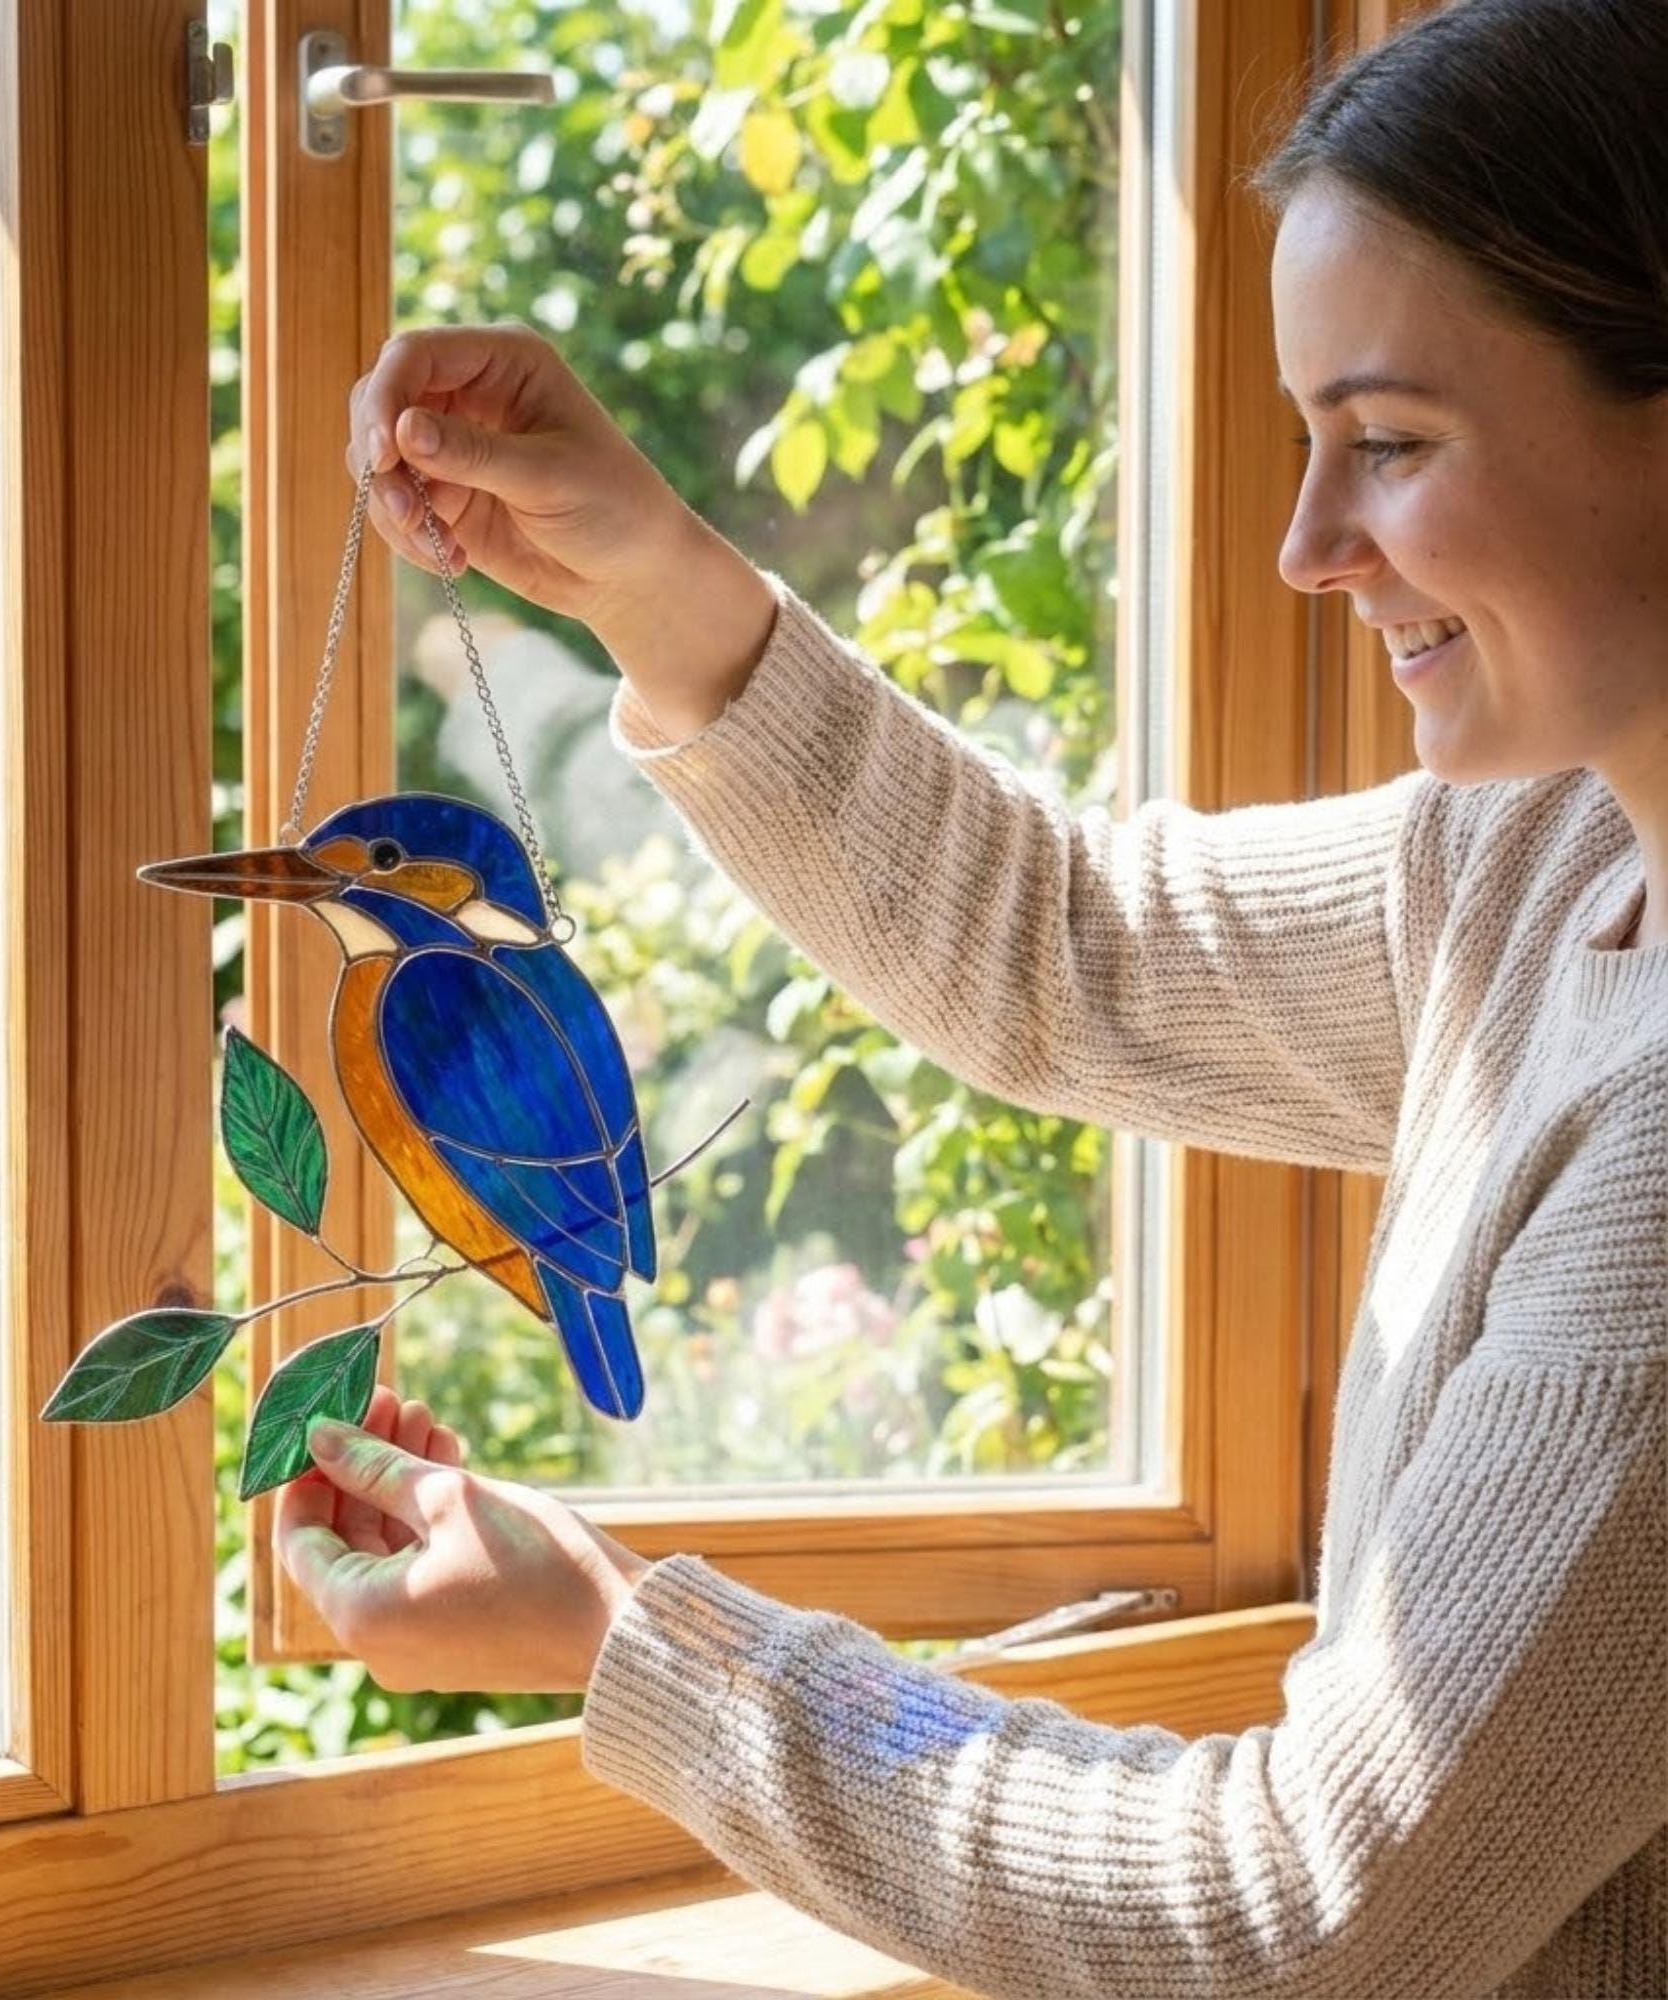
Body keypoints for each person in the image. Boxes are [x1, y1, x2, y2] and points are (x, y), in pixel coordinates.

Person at [277, 1, 1667, 1991]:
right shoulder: (1540, 862)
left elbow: (1290, 1906)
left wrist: (627, 1640)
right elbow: (1067, 943)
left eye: (1387, 441)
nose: (1300, 547)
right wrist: (645, 574)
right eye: (1301, 444)